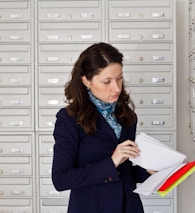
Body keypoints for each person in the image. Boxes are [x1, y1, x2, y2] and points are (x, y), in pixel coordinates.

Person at [52, 42, 152, 213]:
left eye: (119, 78)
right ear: (86, 81)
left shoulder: (126, 115)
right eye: (107, 81)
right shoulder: (69, 119)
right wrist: (112, 162)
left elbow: (125, 172)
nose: (116, 88)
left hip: (129, 207)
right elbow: (61, 179)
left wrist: (149, 171)